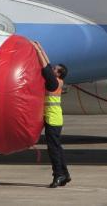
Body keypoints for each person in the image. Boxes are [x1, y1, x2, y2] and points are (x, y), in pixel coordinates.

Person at [33, 41, 70, 188]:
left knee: (53, 149)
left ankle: (58, 175)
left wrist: (37, 50)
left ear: (59, 73)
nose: (53, 68)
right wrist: (40, 48)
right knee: (57, 147)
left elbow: (45, 68)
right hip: (55, 118)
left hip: (53, 119)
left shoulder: (54, 83)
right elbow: (48, 66)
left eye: (56, 69)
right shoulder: (57, 81)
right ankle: (65, 174)